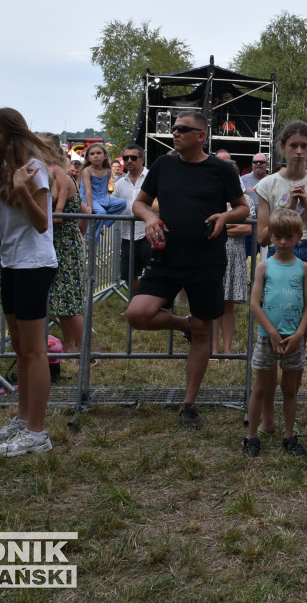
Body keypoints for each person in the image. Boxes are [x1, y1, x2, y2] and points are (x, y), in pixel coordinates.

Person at [124, 110, 249, 429]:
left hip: (207, 259)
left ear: (201, 136)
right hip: (166, 256)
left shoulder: (221, 169)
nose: (175, 133)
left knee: (205, 330)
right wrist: (150, 218)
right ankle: (186, 324)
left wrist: (225, 218)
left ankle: (189, 404)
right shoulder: (164, 165)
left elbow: (243, 208)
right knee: (137, 313)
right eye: (174, 128)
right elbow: (140, 203)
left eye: (183, 129)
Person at [0, 107, 58, 457]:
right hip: (11, 265)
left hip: (34, 265)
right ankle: (23, 419)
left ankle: (37, 432)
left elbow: (42, 224)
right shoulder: (3, 170)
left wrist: (22, 189)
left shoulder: (33, 170)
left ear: (11, 134)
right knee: (20, 350)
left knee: (34, 351)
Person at [255, 121, 307, 358]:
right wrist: (288, 207)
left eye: (304, 146)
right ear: (282, 147)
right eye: (293, 146)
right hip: (279, 250)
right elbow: (262, 237)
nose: (299, 151)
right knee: (277, 296)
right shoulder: (268, 184)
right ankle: (274, 335)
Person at [244, 208, 307, 457]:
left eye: (288, 237)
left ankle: (289, 435)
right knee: (261, 388)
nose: (282, 242)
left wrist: (299, 335)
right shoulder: (264, 267)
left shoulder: (303, 268)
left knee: (290, 389)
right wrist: (272, 333)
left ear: (298, 237)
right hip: (267, 339)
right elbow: (254, 303)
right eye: (277, 237)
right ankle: (252, 436)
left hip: (293, 339)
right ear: (271, 237)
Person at [38, 133, 85, 356]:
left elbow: (71, 202)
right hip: (58, 242)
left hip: (65, 244)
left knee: (69, 300)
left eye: (44, 147)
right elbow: (85, 211)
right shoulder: (44, 173)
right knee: (60, 300)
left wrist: (76, 235)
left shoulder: (61, 175)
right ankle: (69, 345)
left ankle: (87, 352)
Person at [214, 163, 255, 355]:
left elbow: (249, 228)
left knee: (228, 304)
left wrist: (222, 226)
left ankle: (228, 350)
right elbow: (206, 226)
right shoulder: (212, 198)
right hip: (213, 253)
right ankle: (213, 349)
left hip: (235, 253)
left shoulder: (245, 200)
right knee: (212, 303)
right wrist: (232, 224)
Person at [111, 145, 151, 292]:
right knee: (127, 274)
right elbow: (113, 203)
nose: (129, 161)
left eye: (133, 157)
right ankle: (139, 305)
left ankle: (151, 308)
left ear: (142, 159)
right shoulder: (120, 183)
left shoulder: (152, 177)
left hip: (150, 233)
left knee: (153, 273)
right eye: (125, 158)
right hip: (127, 234)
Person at [79, 142, 127, 246]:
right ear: (88, 158)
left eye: (98, 153)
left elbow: (105, 189)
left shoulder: (108, 170)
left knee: (122, 203)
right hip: (89, 198)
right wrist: (89, 207)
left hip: (102, 197)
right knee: (101, 212)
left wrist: (105, 200)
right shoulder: (87, 171)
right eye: (92, 154)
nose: (95, 156)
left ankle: (101, 223)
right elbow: (88, 190)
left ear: (105, 156)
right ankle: (89, 240)